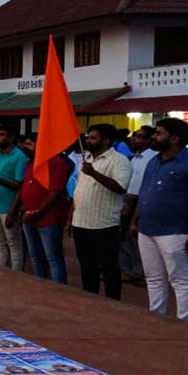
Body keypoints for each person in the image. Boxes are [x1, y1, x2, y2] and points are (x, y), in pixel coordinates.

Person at [132, 118, 188, 323]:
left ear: (175, 138)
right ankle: (156, 319)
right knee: (154, 278)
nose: (154, 137)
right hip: (147, 228)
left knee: (180, 280)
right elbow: (145, 192)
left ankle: (185, 324)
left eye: (159, 133)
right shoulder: (154, 160)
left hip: (175, 231)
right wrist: (136, 220)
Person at [69, 124, 131, 299]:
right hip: (81, 222)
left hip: (104, 224)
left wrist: (94, 173)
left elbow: (120, 187)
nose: (88, 141)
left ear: (106, 140)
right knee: (87, 266)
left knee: (109, 267)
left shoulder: (119, 160)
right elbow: (79, 191)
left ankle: (113, 303)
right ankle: (91, 300)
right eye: (88, 137)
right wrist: (71, 218)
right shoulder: (87, 158)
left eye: (93, 138)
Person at [12, 149, 71, 284]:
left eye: (29, 143)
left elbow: (55, 193)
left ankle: (58, 289)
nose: (24, 147)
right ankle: (40, 285)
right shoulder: (30, 164)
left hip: (49, 219)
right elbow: (24, 187)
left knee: (53, 258)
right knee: (36, 256)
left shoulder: (57, 163)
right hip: (29, 218)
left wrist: (37, 212)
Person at [0, 124, 28, 271]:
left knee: (13, 242)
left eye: (2, 134)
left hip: (8, 206)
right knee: (0, 242)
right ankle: (1, 269)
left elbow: (18, 185)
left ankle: (16, 272)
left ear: (12, 138)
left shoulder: (19, 157)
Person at [121, 126, 157, 282]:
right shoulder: (134, 158)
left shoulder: (153, 158)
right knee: (125, 237)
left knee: (137, 237)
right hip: (127, 201)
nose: (136, 140)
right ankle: (132, 269)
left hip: (141, 202)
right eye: (136, 136)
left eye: (141, 137)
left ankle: (143, 271)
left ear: (149, 140)